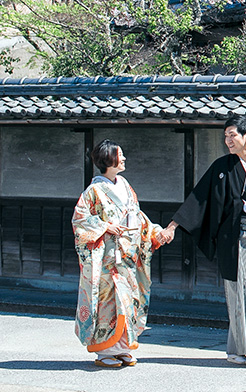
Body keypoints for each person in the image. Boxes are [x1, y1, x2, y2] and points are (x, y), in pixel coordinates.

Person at [160, 114, 246, 367]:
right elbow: (199, 199)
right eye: (225, 136)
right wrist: (173, 226)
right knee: (239, 290)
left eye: (232, 135)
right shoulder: (222, 167)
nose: (227, 141)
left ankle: (243, 349)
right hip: (233, 238)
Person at [72, 139, 171, 368]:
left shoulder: (125, 185)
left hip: (128, 255)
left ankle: (123, 347)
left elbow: (137, 215)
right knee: (108, 302)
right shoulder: (94, 191)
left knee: (129, 301)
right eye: (120, 155)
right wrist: (106, 227)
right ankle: (104, 351)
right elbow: (80, 220)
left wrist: (154, 231)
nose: (124, 158)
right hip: (106, 257)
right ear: (109, 159)